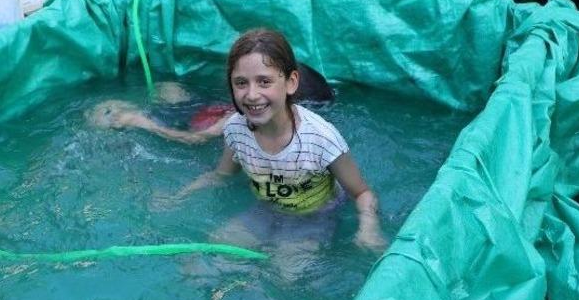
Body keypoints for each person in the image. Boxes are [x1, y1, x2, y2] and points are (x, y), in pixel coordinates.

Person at [179, 28, 386, 252]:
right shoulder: (236, 130)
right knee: (206, 257)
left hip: (314, 217)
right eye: (241, 83)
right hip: (265, 211)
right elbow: (221, 175)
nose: (252, 94)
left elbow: (362, 193)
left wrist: (369, 229)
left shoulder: (322, 139)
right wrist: (177, 197)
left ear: (291, 82)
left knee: (285, 270)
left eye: (264, 81)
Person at [87, 64, 334, 145]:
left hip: (194, 122)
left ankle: (123, 117)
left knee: (103, 117)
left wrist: (141, 123)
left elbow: (195, 140)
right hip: (205, 108)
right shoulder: (255, 111)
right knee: (168, 88)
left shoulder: (238, 121)